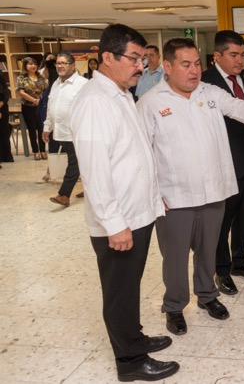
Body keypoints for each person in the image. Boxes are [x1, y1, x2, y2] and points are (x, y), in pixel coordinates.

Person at [137, 38, 244, 335]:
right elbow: (142, 155)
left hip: (213, 192)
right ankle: (174, 306)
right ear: (167, 66)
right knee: (175, 258)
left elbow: (241, 107)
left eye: (197, 63)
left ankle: (207, 295)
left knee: (209, 251)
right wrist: (153, 194)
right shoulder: (150, 103)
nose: (194, 71)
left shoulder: (210, 93)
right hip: (174, 198)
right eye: (185, 64)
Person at [69, 23, 180, 382]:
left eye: (143, 59)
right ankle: (130, 362)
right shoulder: (95, 102)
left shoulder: (120, 94)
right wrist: (114, 224)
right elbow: (95, 171)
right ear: (107, 57)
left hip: (137, 213)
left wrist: (153, 197)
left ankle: (134, 337)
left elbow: (133, 156)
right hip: (119, 221)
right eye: (133, 59)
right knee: (119, 292)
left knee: (130, 286)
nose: (141, 67)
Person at [201, 30, 244, 296]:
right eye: (233, 55)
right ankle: (222, 269)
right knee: (222, 221)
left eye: (242, 54)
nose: (240, 60)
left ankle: (240, 262)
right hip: (221, 164)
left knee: (243, 216)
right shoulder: (204, 83)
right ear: (217, 56)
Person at [43, 52, 88, 207]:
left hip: (77, 132)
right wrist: (47, 127)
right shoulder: (56, 84)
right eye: (58, 63)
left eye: (64, 63)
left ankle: (64, 195)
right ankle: (91, 189)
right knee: (83, 163)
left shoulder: (83, 84)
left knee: (74, 162)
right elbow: (51, 107)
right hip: (60, 131)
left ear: (73, 65)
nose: (60, 66)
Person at [17, 56, 48, 160]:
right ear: (25, 66)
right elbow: (21, 92)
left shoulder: (41, 77)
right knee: (32, 129)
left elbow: (46, 91)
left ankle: (43, 150)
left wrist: (41, 101)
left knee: (41, 128)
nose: (33, 66)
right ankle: (35, 151)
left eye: (35, 64)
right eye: (30, 64)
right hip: (28, 107)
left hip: (41, 107)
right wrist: (34, 100)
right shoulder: (21, 77)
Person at [0, 76, 12, 165]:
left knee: (4, 131)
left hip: (3, 107)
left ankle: (6, 156)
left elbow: (6, 90)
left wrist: (3, 102)